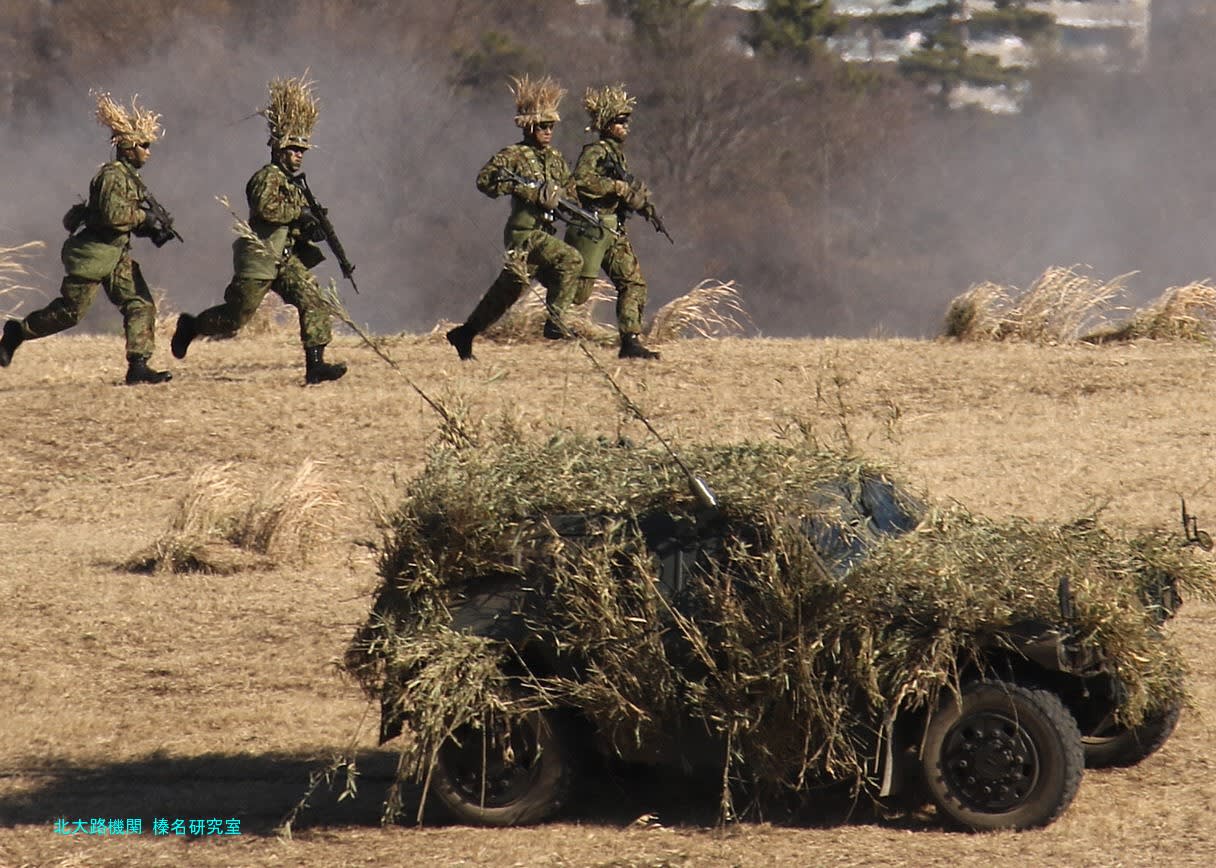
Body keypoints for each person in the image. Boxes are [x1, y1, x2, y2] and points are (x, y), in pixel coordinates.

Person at [170, 75, 346, 385]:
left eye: (302, 150)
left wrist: (309, 227)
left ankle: (315, 364)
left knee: (314, 300)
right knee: (236, 317)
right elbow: (266, 209)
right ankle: (192, 327)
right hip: (261, 256)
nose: (299, 154)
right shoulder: (266, 177)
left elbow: (290, 219)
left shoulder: (294, 183)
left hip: (285, 258)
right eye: (293, 149)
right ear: (279, 150)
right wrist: (299, 214)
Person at [0, 92, 176, 383]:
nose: (148, 151)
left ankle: (138, 365)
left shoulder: (130, 177)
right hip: (94, 255)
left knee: (140, 304)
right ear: (128, 147)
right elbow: (111, 215)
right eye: (144, 145)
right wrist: (146, 219)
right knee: (70, 312)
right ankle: (16, 333)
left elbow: (122, 218)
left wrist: (154, 229)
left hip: (116, 254)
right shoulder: (111, 176)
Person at [445, 75, 583, 361]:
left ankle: (465, 334)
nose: (548, 131)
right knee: (571, 260)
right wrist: (525, 191)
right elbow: (484, 181)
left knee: (506, 294)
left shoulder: (556, 159)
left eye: (551, 126)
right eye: (543, 126)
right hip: (524, 235)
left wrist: (565, 201)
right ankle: (555, 323)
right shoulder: (513, 155)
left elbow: (570, 193)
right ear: (530, 126)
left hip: (543, 234)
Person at [564, 84, 660, 360]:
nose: (626, 125)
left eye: (627, 120)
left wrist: (640, 202)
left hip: (612, 228)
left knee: (633, 283)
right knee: (578, 291)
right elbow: (582, 181)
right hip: (594, 227)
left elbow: (624, 189)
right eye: (620, 121)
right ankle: (550, 316)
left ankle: (630, 341)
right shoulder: (596, 151)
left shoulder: (617, 154)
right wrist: (617, 188)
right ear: (606, 124)